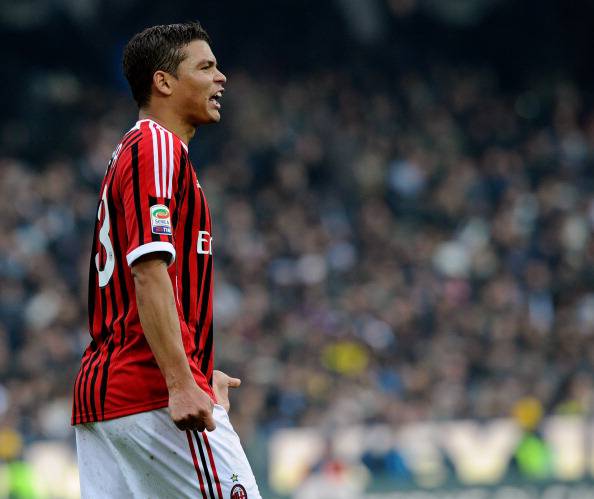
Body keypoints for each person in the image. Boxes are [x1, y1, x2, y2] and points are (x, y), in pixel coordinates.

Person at [71, 22, 261, 498]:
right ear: (163, 82)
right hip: (148, 391)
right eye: (206, 67)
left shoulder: (142, 153)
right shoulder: (155, 146)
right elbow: (148, 270)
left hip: (110, 397)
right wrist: (181, 381)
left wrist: (198, 366)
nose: (221, 78)